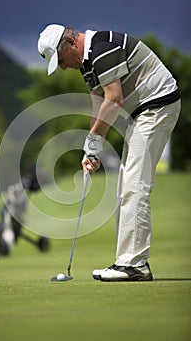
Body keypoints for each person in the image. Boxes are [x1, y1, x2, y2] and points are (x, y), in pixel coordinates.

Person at [37, 24, 181, 281]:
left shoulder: (102, 49)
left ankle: (134, 265)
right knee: (125, 186)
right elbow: (99, 105)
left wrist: (94, 140)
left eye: (60, 60)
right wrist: (92, 150)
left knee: (135, 185)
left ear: (70, 43)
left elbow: (114, 100)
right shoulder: (88, 63)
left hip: (158, 106)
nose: (61, 67)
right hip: (142, 114)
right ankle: (126, 262)